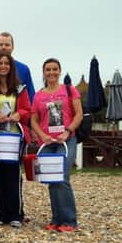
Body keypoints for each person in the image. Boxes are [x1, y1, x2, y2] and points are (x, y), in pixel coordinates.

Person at [30, 58, 81, 232]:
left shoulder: (69, 90)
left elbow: (79, 114)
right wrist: (42, 135)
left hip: (66, 140)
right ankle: (56, 219)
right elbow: (33, 120)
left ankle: (69, 221)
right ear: (43, 72)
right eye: (48, 69)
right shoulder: (38, 95)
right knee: (52, 179)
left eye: (54, 69)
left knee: (62, 177)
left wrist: (67, 131)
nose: (51, 72)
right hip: (47, 142)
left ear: (59, 71)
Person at [0, 53, 31, 228]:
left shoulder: (20, 88)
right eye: (0, 63)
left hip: (15, 138)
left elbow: (28, 109)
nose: (3, 66)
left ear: (11, 67)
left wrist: (20, 114)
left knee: (13, 175)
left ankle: (16, 213)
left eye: (6, 63)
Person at [0, 32, 35, 103]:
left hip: (18, 113)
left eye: (7, 45)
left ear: (12, 47)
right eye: (0, 44)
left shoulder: (24, 69)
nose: (3, 47)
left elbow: (31, 96)